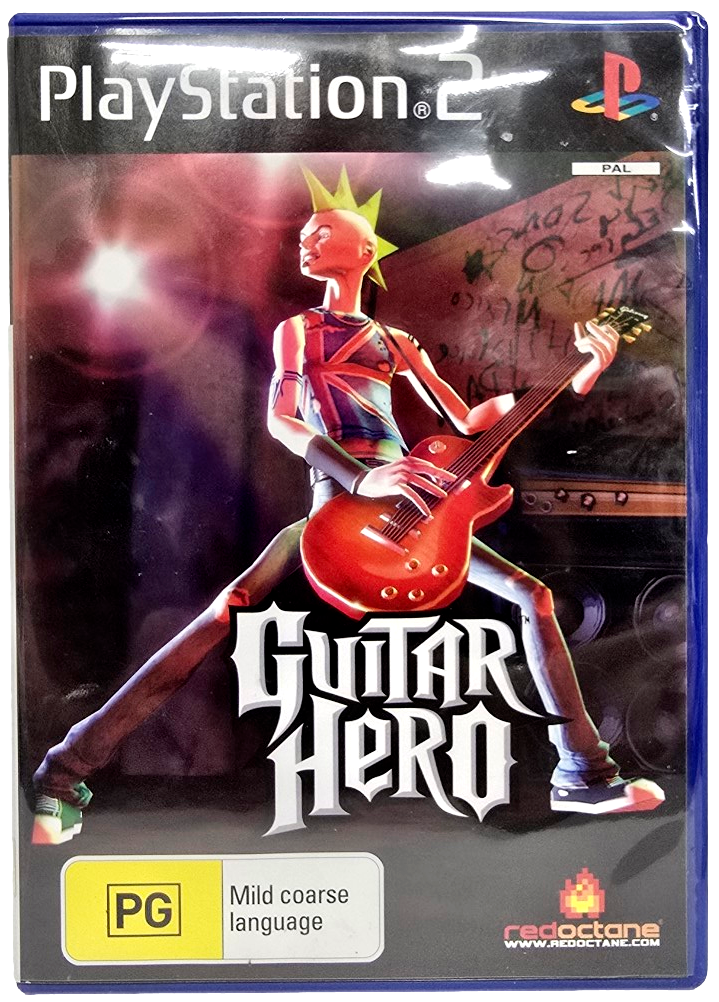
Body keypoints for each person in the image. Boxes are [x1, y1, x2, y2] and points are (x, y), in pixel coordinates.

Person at [32, 167, 664, 844]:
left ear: (363, 251)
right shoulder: (301, 330)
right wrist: (361, 480)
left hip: (415, 503)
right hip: (340, 496)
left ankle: (583, 772)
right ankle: (67, 767)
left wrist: (574, 373)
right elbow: (283, 421)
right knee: (226, 612)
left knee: (531, 596)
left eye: (322, 232)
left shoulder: (397, 344)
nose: (306, 241)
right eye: (304, 233)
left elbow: (468, 421)